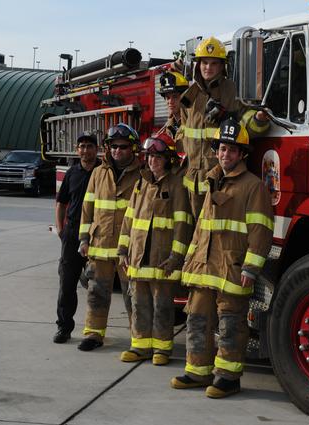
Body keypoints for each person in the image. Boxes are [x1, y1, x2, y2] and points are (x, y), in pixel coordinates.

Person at [170, 117, 274, 398]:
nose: (224, 154)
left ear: (241, 154)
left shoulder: (253, 186)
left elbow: (260, 231)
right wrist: (189, 260)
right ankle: (197, 371)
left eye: (230, 149)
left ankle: (228, 377)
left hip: (232, 266)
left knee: (230, 323)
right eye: (221, 149)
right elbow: (202, 226)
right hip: (203, 265)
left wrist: (251, 268)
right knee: (197, 319)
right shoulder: (212, 180)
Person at [117, 133, 193, 365]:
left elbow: (183, 223)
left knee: (162, 307)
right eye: (149, 157)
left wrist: (176, 256)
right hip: (138, 257)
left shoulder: (177, 184)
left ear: (168, 159)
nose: (152, 161)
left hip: (163, 260)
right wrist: (122, 250)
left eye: (157, 157)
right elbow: (129, 219)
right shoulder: (141, 183)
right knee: (139, 305)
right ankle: (140, 346)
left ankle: (161, 349)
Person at [178, 36, 270, 219]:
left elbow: (246, 123)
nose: (208, 68)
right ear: (198, 65)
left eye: (214, 63)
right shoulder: (191, 94)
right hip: (191, 181)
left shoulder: (233, 91)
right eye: (204, 62)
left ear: (222, 66)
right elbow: (183, 129)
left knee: (216, 230)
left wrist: (259, 120)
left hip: (220, 177)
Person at [77, 123, 142, 351]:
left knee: (133, 297)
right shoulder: (98, 172)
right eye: (113, 146)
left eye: (123, 147)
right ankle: (94, 334)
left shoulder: (143, 174)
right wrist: (84, 239)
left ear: (132, 148)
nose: (117, 151)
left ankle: (139, 339)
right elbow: (88, 208)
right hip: (100, 244)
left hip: (129, 247)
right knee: (97, 293)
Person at [53, 132, 100, 344]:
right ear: (76, 149)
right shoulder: (72, 173)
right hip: (72, 236)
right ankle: (64, 327)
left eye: (90, 146)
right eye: (82, 146)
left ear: (97, 149)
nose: (85, 150)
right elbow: (61, 203)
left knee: (98, 287)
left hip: (97, 236)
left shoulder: (103, 173)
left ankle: (95, 331)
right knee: (67, 284)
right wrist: (61, 229)